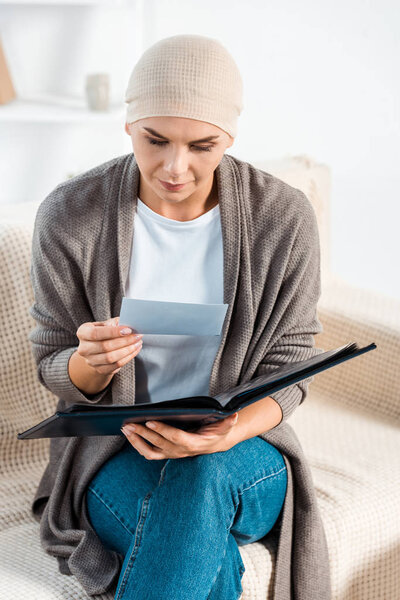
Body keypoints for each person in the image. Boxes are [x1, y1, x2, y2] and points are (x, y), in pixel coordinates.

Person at [28, 34, 331, 600]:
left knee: (200, 472)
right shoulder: (70, 216)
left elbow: (293, 363)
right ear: (128, 126)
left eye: (202, 146)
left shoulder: (283, 218)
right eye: (156, 139)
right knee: (197, 534)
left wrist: (226, 433)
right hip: (116, 450)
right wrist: (89, 366)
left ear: (231, 139)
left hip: (243, 453)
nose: (175, 166)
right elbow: (51, 363)